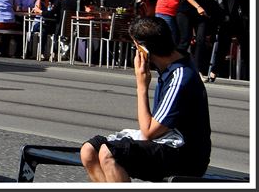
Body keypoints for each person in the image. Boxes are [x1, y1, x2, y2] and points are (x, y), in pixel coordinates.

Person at [80, 16, 211, 182]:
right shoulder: (170, 67)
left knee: (109, 154)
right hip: (166, 141)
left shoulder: (181, 76)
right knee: (89, 151)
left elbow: (148, 131)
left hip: (185, 154)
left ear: (143, 50)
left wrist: (141, 85)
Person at [209, 0, 249, 82]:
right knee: (223, 47)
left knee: (247, 48)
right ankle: (214, 72)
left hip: (242, 22)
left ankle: (247, 75)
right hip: (228, 20)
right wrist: (223, 13)